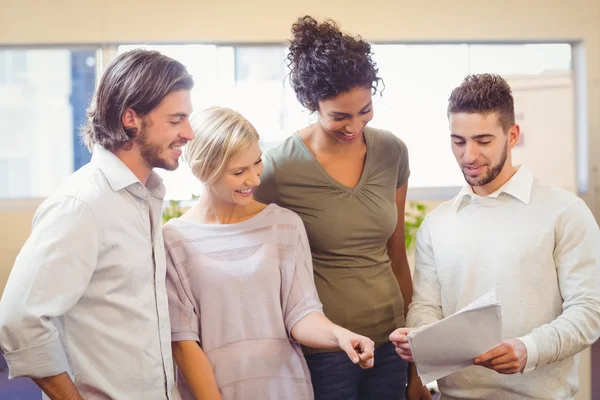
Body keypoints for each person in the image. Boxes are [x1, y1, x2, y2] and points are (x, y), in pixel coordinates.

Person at [391, 73, 600, 400]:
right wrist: (421, 337)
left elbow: (589, 311)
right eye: (458, 141)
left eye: (483, 141)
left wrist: (529, 349)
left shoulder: (565, 211)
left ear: (512, 135)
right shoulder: (438, 223)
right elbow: (426, 306)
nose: (469, 156)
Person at [0, 49, 195, 399]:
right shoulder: (82, 205)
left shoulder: (144, 197)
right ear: (131, 118)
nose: (189, 133)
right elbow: (19, 320)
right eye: (176, 120)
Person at [253, 15, 429, 400]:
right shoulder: (279, 168)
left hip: (391, 341)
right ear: (310, 103)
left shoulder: (392, 151)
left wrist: (416, 365)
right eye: (340, 116)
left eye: (364, 110)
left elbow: (397, 255)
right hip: (325, 350)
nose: (354, 126)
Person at [164, 106, 375, 400]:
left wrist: (339, 336)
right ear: (203, 170)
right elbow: (183, 342)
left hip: (287, 388)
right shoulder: (174, 239)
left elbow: (301, 314)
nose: (255, 180)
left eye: (257, 163)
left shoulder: (284, 225)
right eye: (239, 172)